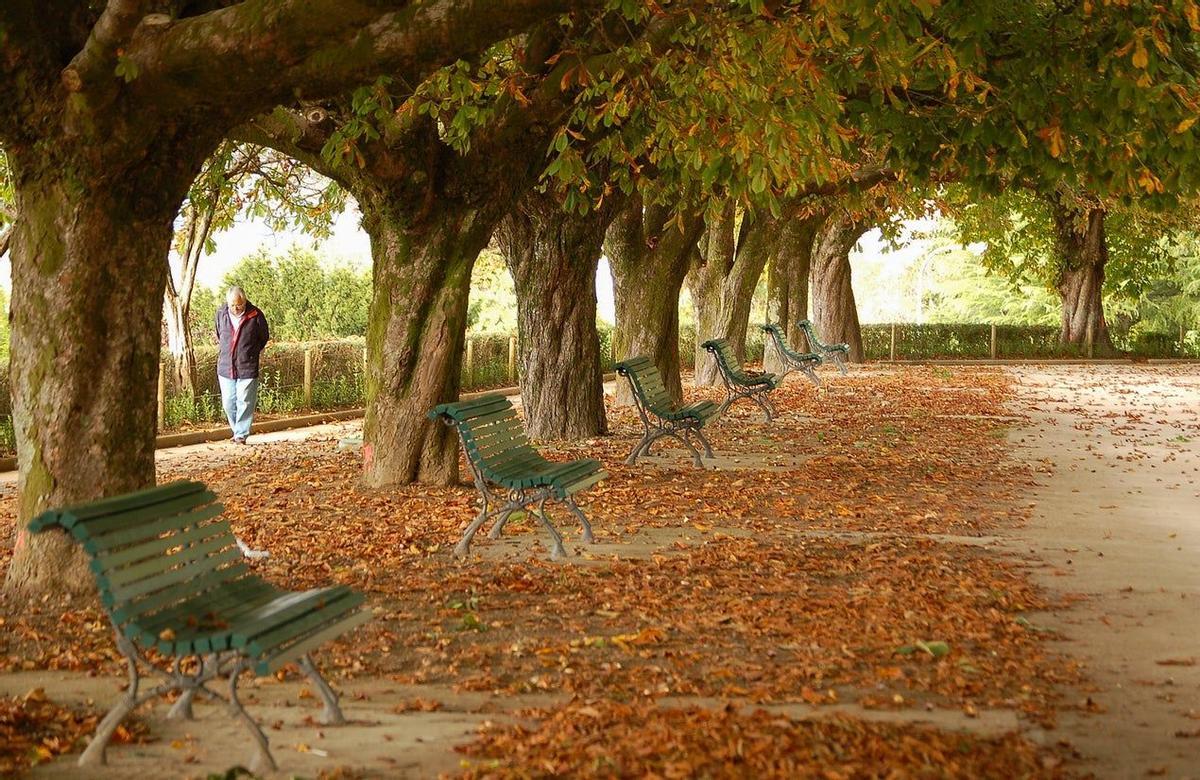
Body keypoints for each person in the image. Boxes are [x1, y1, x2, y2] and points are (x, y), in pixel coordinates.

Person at [216, 286, 270, 445]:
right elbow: (219, 334)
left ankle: (241, 434)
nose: (235, 308)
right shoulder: (221, 313)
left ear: (245, 301)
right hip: (226, 366)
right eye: (232, 305)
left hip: (247, 366)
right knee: (228, 402)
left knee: (245, 401)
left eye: (239, 305)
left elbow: (263, 337)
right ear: (228, 303)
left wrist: (250, 353)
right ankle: (236, 430)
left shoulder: (256, 315)